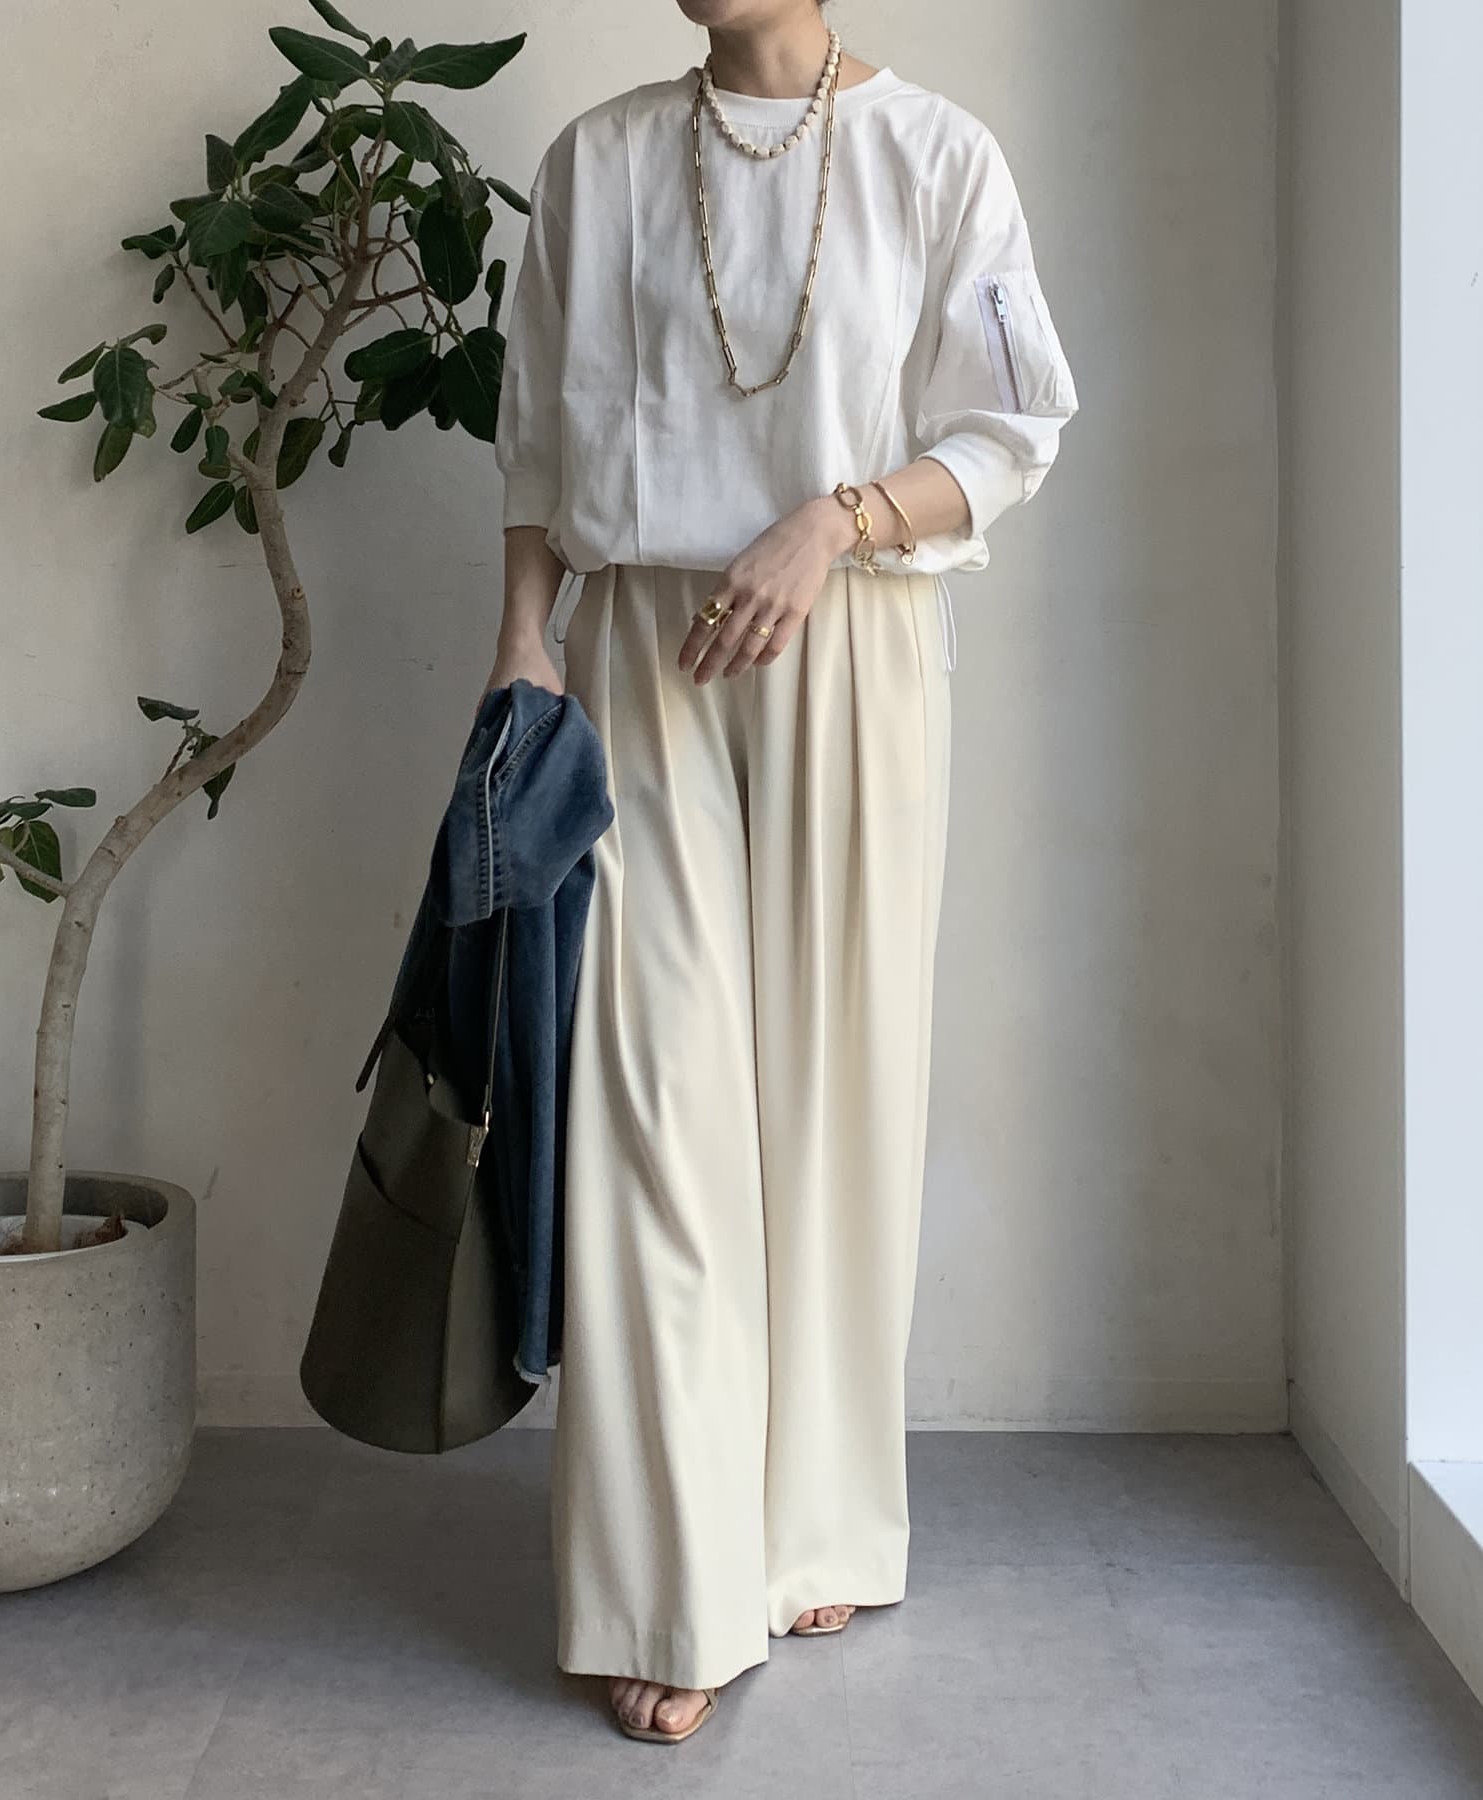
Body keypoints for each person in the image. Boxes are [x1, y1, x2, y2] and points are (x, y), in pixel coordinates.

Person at [485, 0, 1079, 1746]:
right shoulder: (598, 160)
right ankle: (673, 1576)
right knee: (649, 1102)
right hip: (639, 650)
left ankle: (817, 1515)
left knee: (834, 1095)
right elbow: (536, 435)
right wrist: (523, 639)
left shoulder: (937, 155)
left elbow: (1016, 426)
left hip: (852, 640)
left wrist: (839, 519)